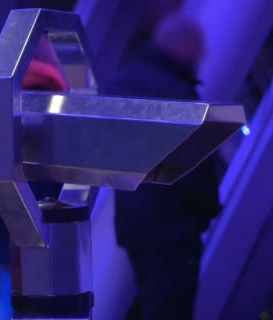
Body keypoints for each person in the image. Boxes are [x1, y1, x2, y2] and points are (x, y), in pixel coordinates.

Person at [99, 12, 221, 320]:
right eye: (199, 49)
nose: (203, 56)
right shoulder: (174, 92)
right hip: (174, 228)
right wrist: (207, 209)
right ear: (184, 48)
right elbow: (195, 167)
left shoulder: (119, 83)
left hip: (134, 222)